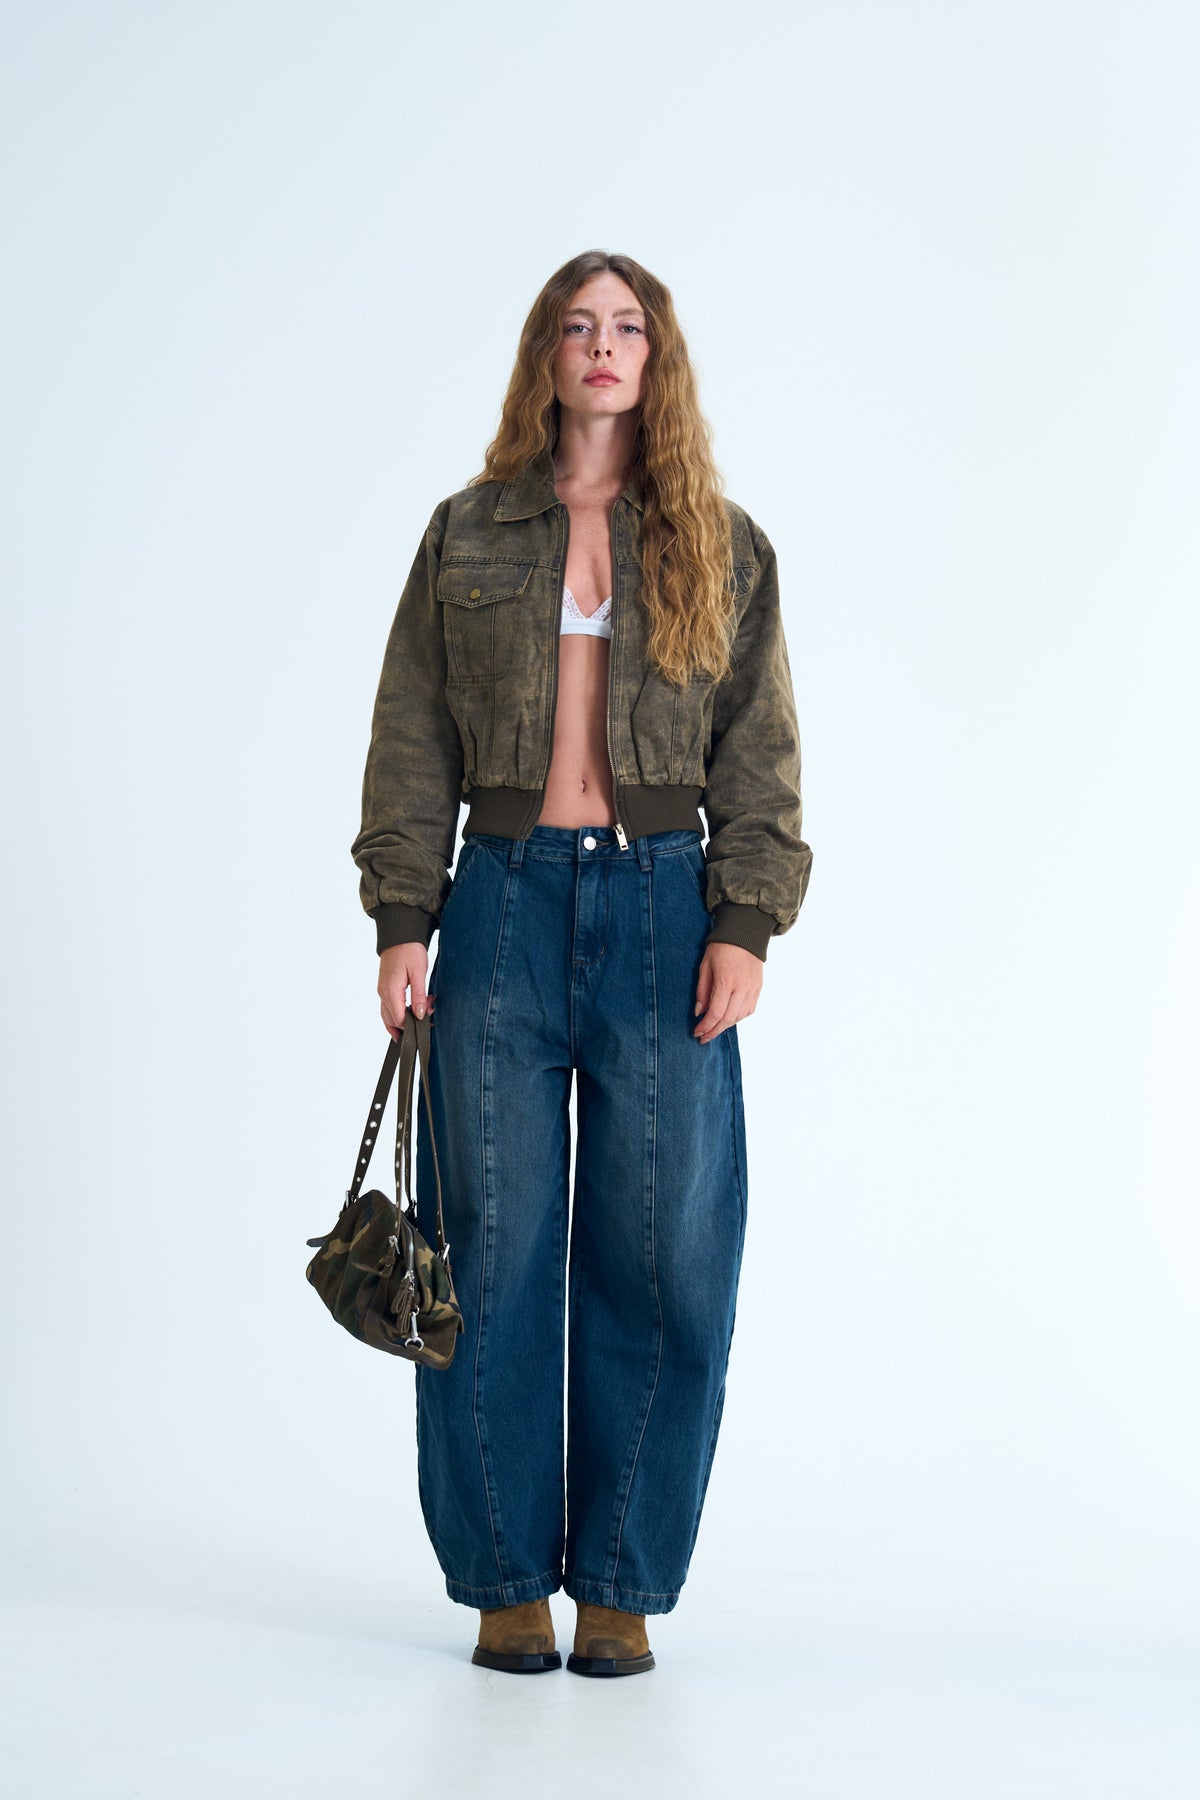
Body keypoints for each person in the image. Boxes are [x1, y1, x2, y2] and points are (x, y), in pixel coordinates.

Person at [350, 249, 813, 1677]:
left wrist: (744, 920)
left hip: (668, 911)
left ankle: (619, 1580)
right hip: (498, 905)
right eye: (577, 326)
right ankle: (505, 1576)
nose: (602, 347)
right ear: (544, 356)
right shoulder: (468, 533)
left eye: (626, 327)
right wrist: (403, 917)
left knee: (664, 1252)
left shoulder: (723, 544)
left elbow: (761, 750)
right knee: (489, 1251)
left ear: (655, 358)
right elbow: (411, 733)